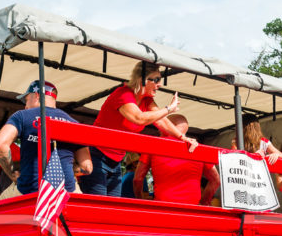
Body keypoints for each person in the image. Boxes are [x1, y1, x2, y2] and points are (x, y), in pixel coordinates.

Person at [82, 62, 197, 196]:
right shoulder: (123, 94)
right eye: (156, 80)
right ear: (142, 79)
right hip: (96, 155)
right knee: (98, 206)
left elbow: (161, 121)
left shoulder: (146, 100)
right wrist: (168, 109)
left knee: (112, 207)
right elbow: (139, 118)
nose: (159, 84)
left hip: (116, 160)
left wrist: (182, 137)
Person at [0, 80, 92, 198]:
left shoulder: (22, 116)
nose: (25, 106)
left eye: (26, 100)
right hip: (66, 192)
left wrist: (12, 175)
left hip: (31, 190)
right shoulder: (74, 124)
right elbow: (87, 167)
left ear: (37, 95)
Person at [134, 115, 220, 205]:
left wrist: (140, 201)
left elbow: (137, 179)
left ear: (169, 125)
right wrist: (203, 203)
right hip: (192, 209)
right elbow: (216, 180)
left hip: (163, 207)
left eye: (161, 125)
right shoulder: (199, 148)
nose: (159, 128)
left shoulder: (154, 145)